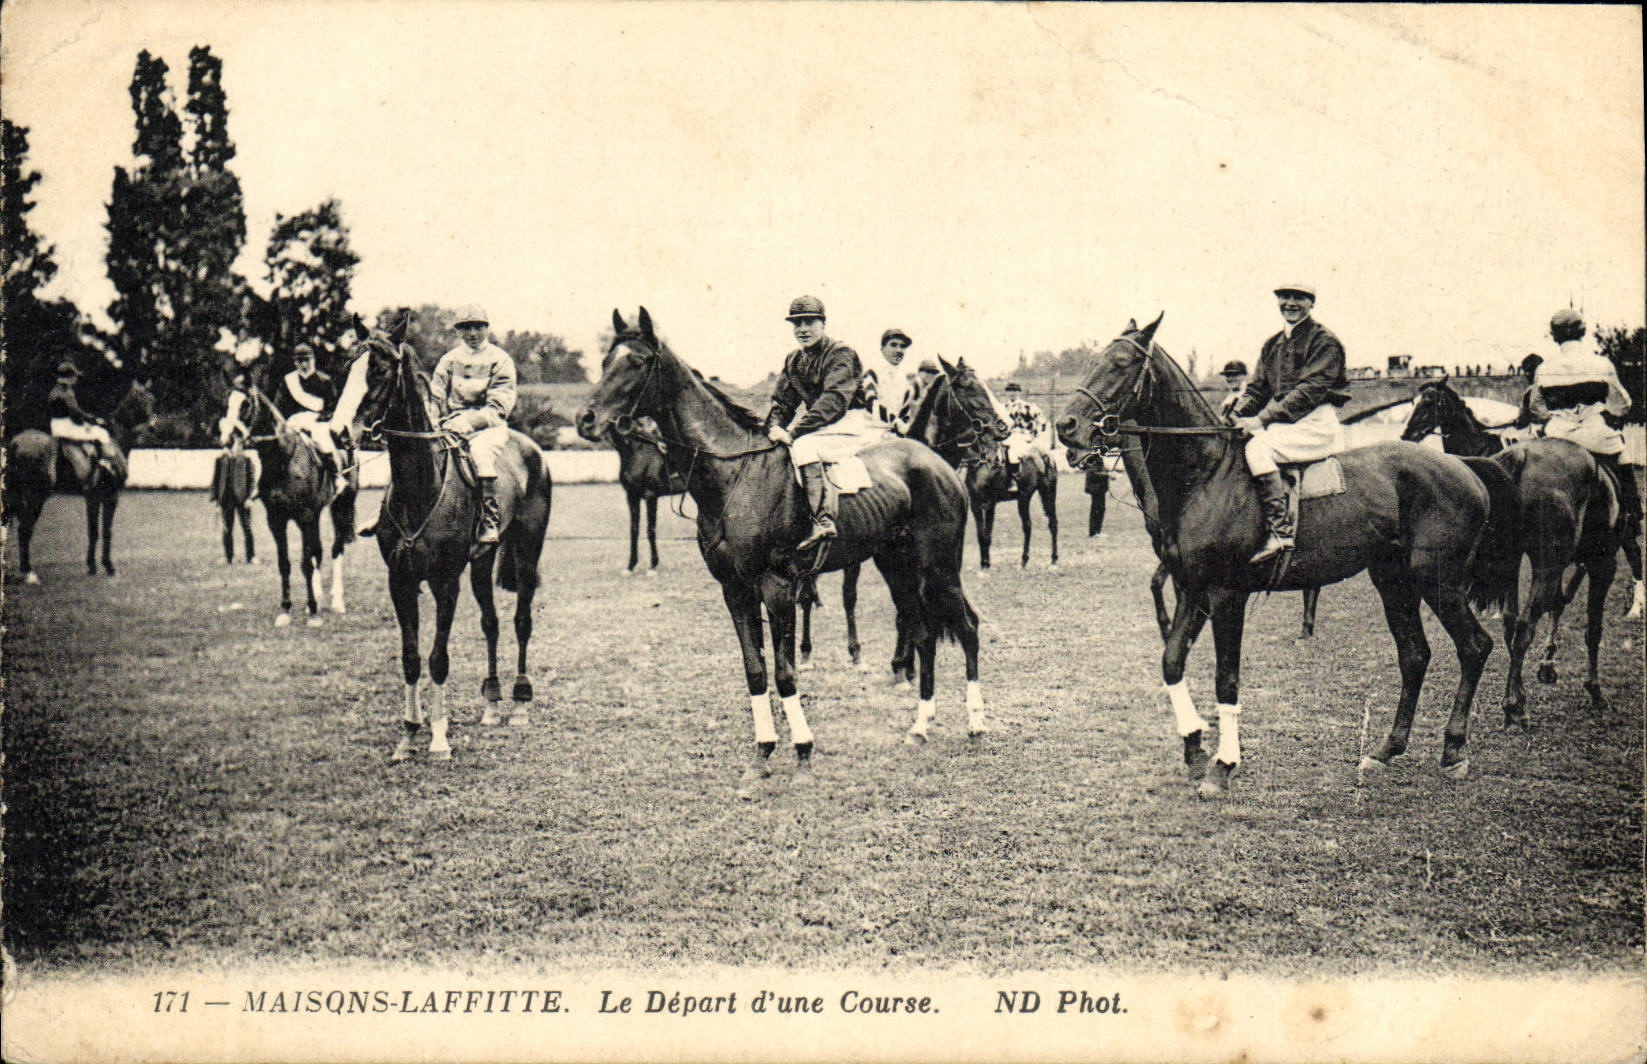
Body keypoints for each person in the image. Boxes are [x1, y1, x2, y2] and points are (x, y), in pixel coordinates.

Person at [1226, 283, 1351, 563]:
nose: (1290, 303)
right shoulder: (1273, 344)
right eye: (1284, 297)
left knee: (1257, 449)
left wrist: (1260, 420)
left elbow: (1307, 393)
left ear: (1311, 303)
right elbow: (1257, 390)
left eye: (1298, 298)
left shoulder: (1324, 341)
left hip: (1315, 422)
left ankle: (1280, 532)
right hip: (1286, 424)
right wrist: (1234, 415)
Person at [765, 295, 875, 551]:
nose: (802, 329)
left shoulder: (841, 354)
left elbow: (833, 402)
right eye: (797, 324)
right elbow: (782, 402)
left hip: (846, 423)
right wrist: (773, 426)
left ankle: (822, 520)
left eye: (809, 322)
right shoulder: (794, 360)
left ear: (823, 324)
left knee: (803, 447)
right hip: (820, 425)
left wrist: (792, 432)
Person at [1528, 307, 1642, 552]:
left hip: (1558, 437)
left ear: (1555, 336)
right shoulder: (1600, 363)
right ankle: (1633, 513)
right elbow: (1623, 404)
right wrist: (1606, 411)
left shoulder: (1544, 369)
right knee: (1623, 456)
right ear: (1582, 332)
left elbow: (1535, 408)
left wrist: (1555, 418)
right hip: (1595, 434)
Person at [429, 304, 518, 546]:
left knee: (480, 455)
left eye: (478, 327)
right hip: (450, 424)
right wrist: (435, 418)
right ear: (459, 331)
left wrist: (469, 422)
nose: (472, 334)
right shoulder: (448, 360)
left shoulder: (500, 360)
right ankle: (387, 510)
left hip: (487, 427)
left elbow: (500, 406)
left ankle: (489, 518)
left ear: (486, 328)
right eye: (466, 328)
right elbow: (436, 395)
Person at [277, 344, 347, 495]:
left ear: (313, 360)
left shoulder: (324, 380)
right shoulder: (288, 381)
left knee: (323, 441)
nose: (303, 364)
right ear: (295, 362)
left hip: (317, 421)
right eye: (299, 361)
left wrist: (322, 417)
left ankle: (336, 476)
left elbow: (332, 406)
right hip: (293, 422)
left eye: (306, 360)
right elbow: (280, 404)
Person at [47, 361, 120, 484]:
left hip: (55, 426)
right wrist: (93, 419)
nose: (75, 380)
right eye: (74, 377)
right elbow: (75, 412)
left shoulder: (53, 391)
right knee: (101, 433)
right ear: (69, 378)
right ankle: (105, 462)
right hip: (67, 428)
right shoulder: (67, 392)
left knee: (91, 429)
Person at [218, 368, 262, 497]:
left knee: (252, 461)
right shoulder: (236, 396)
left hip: (242, 433)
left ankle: (250, 489)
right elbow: (232, 418)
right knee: (235, 461)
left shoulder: (250, 394)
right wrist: (245, 432)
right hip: (233, 433)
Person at [1000, 381, 1050, 482]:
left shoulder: (1027, 406)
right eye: (1009, 391)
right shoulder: (1002, 408)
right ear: (1006, 393)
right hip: (1006, 436)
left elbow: (1041, 421)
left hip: (1023, 436)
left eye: (1014, 391)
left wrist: (1036, 435)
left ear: (1019, 392)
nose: (1012, 393)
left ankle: (1014, 479)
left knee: (1012, 452)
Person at [863, 327, 913, 425]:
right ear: (882, 349)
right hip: (872, 430)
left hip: (895, 434)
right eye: (893, 345)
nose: (899, 350)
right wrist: (895, 421)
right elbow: (870, 403)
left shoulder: (905, 381)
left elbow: (907, 411)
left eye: (902, 346)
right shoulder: (872, 373)